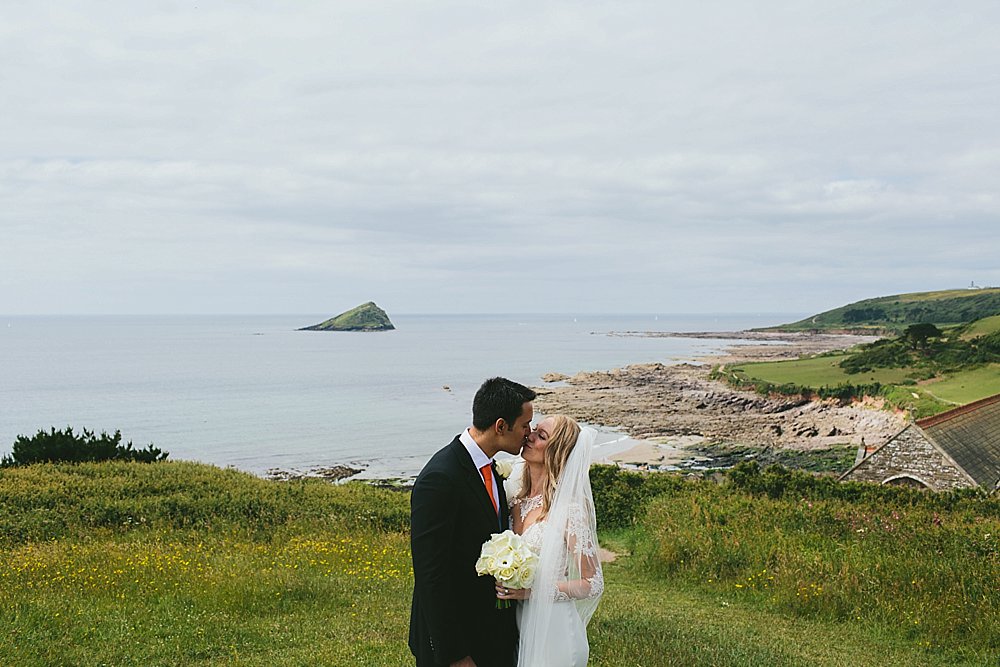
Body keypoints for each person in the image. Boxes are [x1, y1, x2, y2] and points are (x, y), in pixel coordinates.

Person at [409, 377, 537, 667]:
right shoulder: (440, 479)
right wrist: (455, 654)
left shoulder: (490, 468)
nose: (528, 433)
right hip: (456, 641)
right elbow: (431, 576)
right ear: (501, 426)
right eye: (524, 425)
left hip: (490, 631)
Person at [499, 415, 604, 667]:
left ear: (557, 452)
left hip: (555, 633)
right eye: (533, 430)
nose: (529, 436)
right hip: (518, 627)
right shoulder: (514, 499)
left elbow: (593, 583)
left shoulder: (568, 510)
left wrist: (534, 593)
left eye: (541, 436)